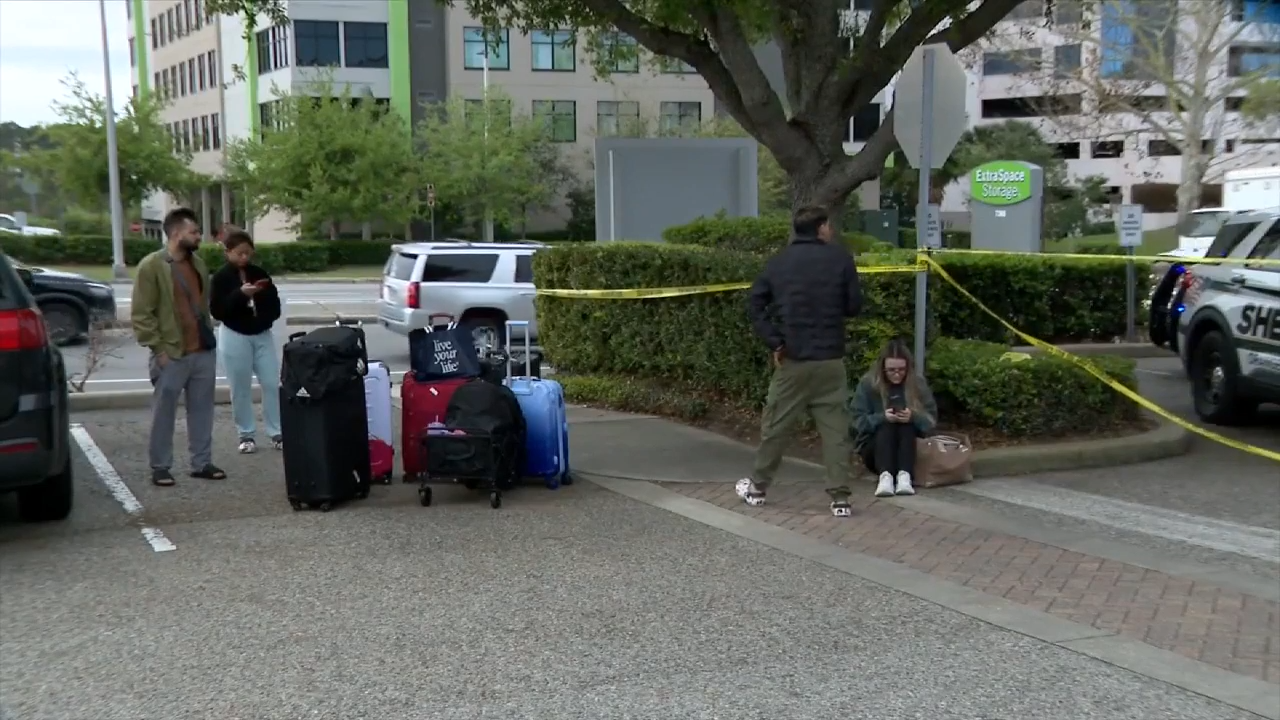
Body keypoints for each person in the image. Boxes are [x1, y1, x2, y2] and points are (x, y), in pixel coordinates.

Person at [737, 205, 864, 517]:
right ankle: (840, 498)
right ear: (820, 228)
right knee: (835, 430)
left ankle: (758, 487)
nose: (831, 230)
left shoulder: (779, 263)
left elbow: (755, 304)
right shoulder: (840, 259)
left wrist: (776, 341)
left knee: (777, 424)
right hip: (831, 359)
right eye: (828, 225)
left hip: (793, 358)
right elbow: (853, 306)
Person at [132, 207, 225, 486]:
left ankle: (202, 462)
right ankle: (160, 466)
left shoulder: (198, 264)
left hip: (202, 351)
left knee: (202, 409)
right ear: (175, 233)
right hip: (171, 353)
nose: (199, 236)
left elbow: (202, 305)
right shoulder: (151, 266)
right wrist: (158, 350)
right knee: (164, 412)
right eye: (193, 231)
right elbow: (141, 314)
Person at [209, 230, 284, 453]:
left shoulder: (259, 273)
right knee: (240, 387)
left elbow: (274, 305)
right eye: (240, 253)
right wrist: (240, 295)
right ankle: (246, 434)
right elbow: (218, 310)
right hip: (235, 334)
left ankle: (276, 431)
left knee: (271, 382)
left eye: (248, 254)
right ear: (228, 252)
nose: (244, 258)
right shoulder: (221, 278)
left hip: (261, 334)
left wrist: (263, 312)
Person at [851, 338, 938, 498]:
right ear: (882, 368)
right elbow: (856, 421)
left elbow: (931, 420)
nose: (897, 374)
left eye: (901, 369)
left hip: (910, 447)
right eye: (891, 370)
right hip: (876, 449)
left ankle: (904, 476)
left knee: (905, 424)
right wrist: (881, 418)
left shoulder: (917, 383)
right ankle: (886, 477)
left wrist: (913, 417)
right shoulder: (868, 384)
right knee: (887, 425)